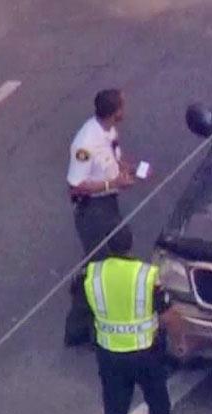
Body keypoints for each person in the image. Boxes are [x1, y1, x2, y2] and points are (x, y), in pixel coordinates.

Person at [83, 228, 195, 414]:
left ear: (109, 247)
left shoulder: (94, 274)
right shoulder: (146, 276)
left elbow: (85, 307)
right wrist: (180, 343)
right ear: (130, 245)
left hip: (110, 355)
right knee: (158, 403)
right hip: (144, 354)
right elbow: (169, 316)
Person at [65, 88, 140, 347]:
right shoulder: (85, 144)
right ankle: (79, 327)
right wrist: (112, 183)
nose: (125, 110)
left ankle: (97, 320)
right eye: (123, 106)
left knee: (120, 248)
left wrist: (128, 171)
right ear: (115, 112)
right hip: (92, 211)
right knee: (98, 269)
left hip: (109, 204)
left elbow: (113, 158)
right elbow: (75, 185)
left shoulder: (109, 131)